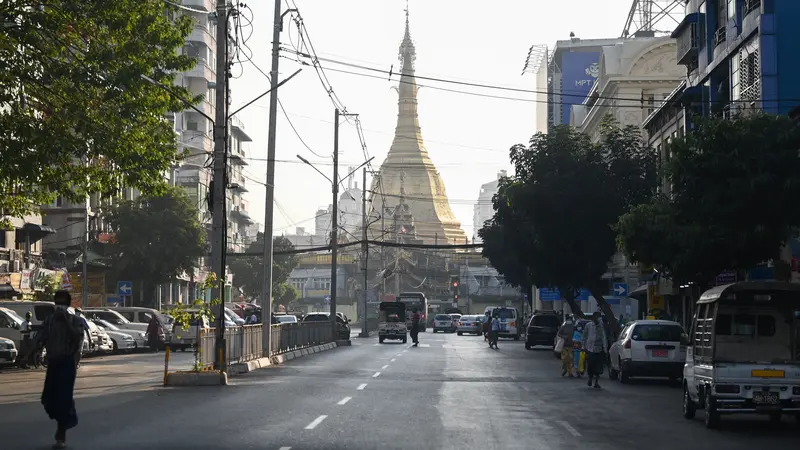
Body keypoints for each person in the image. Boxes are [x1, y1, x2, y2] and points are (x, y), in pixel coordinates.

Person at [31, 290, 84, 449]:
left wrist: (66, 323)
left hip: (67, 363)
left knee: (64, 398)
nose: (60, 306)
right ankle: (61, 420)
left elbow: (77, 337)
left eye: (63, 303)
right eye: (58, 302)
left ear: (67, 305)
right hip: (53, 363)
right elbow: (39, 337)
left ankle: (62, 429)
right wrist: (35, 350)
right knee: (48, 398)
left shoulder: (76, 321)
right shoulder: (49, 321)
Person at [582, 311, 608, 389]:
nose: (598, 319)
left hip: (599, 349)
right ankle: (590, 378)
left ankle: (596, 382)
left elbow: (604, 338)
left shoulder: (601, 327)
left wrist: (605, 349)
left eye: (599, 317)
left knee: (598, 367)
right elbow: (584, 336)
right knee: (590, 366)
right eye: (596, 317)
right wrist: (583, 346)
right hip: (590, 349)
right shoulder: (589, 325)